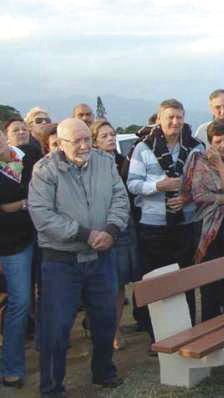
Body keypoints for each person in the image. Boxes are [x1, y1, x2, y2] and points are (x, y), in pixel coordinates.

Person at [28, 118, 130, 396]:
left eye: (88, 139)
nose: (85, 145)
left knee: (106, 320)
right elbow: (42, 215)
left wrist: (110, 230)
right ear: (60, 144)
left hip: (102, 258)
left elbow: (121, 199)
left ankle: (104, 372)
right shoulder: (44, 171)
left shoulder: (105, 163)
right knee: (57, 328)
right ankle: (51, 388)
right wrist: (84, 234)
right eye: (78, 141)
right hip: (61, 261)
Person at [127, 99, 204, 345]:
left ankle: (188, 331)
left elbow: (205, 183)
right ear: (159, 119)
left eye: (179, 117)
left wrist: (187, 196)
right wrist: (158, 186)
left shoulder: (195, 148)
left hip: (186, 223)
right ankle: (157, 336)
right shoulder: (144, 148)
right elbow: (133, 183)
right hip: (153, 226)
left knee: (185, 280)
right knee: (156, 282)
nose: (175, 122)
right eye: (170, 117)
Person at [184, 119, 224, 321]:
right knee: (209, 284)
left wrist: (220, 165)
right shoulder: (200, 163)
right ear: (210, 142)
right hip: (206, 229)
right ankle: (209, 322)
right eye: (218, 141)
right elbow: (199, 195)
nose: (223, 145)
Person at [91, 120, 141, 350]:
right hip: (99, 228)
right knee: (103, 284)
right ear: (94, 141)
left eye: (112, 134)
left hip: (124, 226)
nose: (111, 138)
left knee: (120, 282)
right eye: (104, 136)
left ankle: (115, 327)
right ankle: (101, 326)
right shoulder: (89, 166)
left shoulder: (123, 162)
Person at [0, 127, 40, 388]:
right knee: (20, 301)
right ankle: (11, 366)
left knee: (47, 293)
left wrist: (15, 204)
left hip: (41, 235)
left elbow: (38, 192)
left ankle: (47, 346)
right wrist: (23, 203)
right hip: (11, 246)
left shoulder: (26, 156)